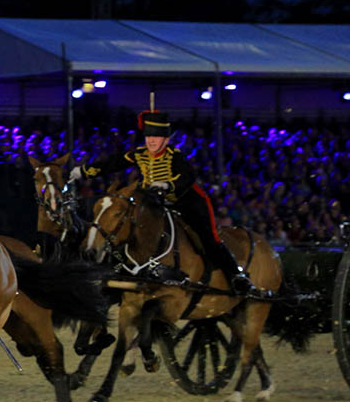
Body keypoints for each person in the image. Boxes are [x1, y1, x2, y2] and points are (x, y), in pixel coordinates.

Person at [69, 111, 256, 296]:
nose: (151, 140)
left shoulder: (174, 156)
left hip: (187, 202)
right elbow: (113, 163)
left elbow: (188, 177)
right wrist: (84, 171)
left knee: (209, 239)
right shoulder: (139, 154)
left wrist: (167, 185)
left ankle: (236, 276)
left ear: (165, 140)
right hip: (156, 203)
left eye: (156, 137)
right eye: (149, 136)